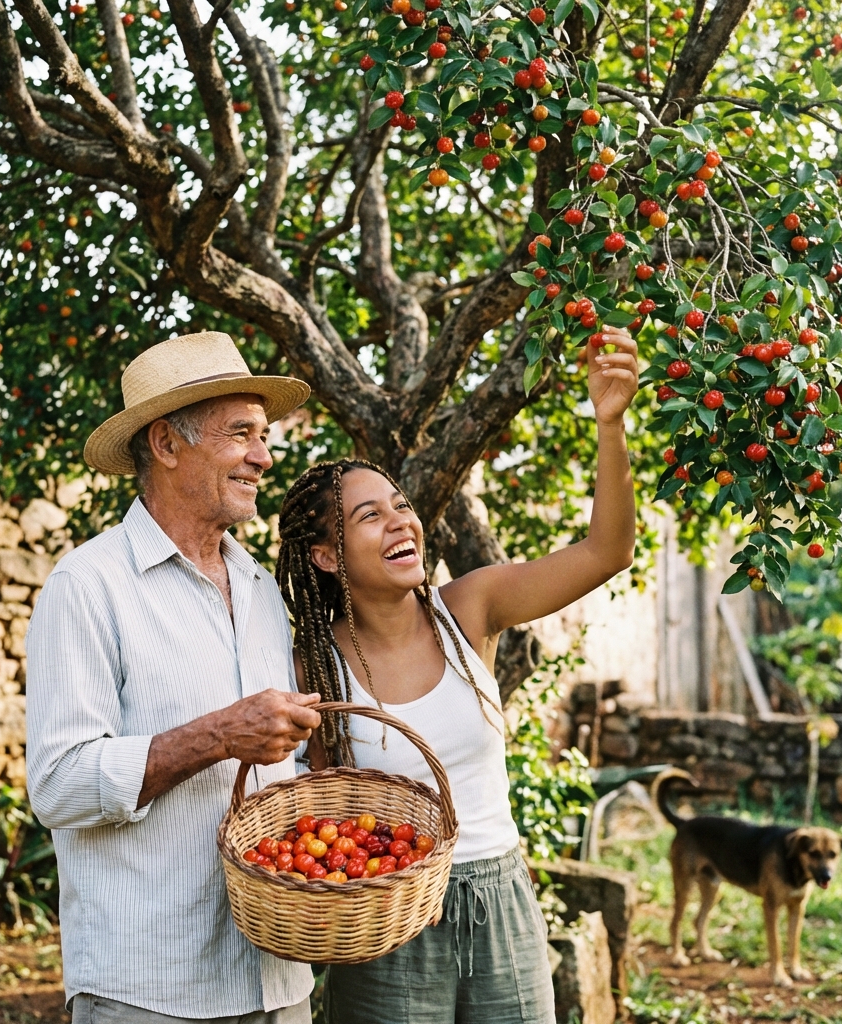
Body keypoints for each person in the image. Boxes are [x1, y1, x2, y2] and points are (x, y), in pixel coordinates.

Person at [274, 326, 639, 1024]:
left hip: (502, 900)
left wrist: (611, 425)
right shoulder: (314, 669)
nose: (398, 520)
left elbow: (607, 551)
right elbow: (320, 813)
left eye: (401, 504)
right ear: (326, 556)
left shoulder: (468, 609)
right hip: (388, 920)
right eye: (368, 515)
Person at [26, 332, 323, 1024]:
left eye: (264, 434)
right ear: (165, 444)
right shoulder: (88, 586)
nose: (263, 456)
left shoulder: (259, 589)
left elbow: (281, 770)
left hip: (276, 978)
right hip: (151, 987)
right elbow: (59, 784)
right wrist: (220, 733)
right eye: (241, 434)